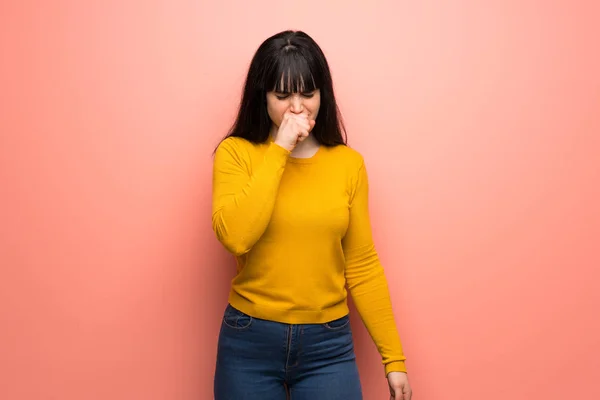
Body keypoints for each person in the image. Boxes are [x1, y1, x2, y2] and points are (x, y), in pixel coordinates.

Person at [211, 30, 412, 400]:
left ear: (323, 94)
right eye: (282, 95)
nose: (297, 107)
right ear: (263, 96)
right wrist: (280, 149)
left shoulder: (348, 165)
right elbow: (236, 237)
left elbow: (362, 264)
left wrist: (394, 359)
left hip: (328, 347)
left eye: (308, 93)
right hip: (250, 341)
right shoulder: (236, 154)